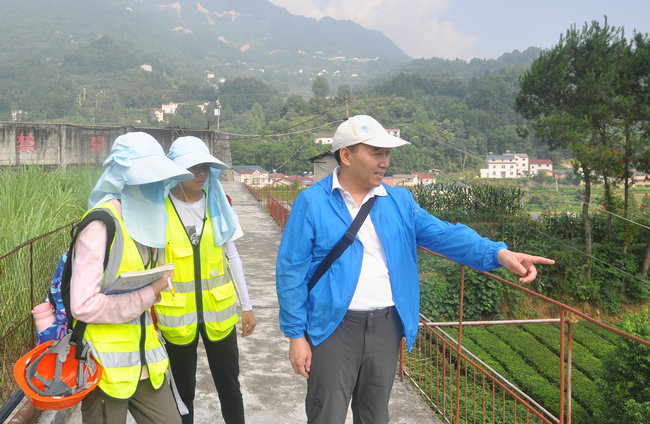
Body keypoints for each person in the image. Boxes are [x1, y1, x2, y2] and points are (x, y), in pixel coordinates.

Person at [275, 115, 555, 424]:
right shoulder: (312, 202)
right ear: (346, 155)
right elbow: (291, 271)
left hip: (385, 326)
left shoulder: (399, 201)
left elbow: (445, 235)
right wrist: (295, 335)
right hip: (331, 327)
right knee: (326, 414)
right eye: (376, 153)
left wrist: (499, 254)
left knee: (374, 416)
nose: (385, 162)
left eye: (387, 154)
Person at [70, 132, 194, 423]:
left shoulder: (147, 219)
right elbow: (83, 306)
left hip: (147, 363)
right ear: (123, 179)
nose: (155, 186)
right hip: (104, 368)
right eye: (147, 178)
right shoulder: (101, 225)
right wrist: (148, 293)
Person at [155, 136, 256, 424]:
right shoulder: (160, 210)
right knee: (182, 392)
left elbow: (232, 256)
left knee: (230, 387)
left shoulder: (218, 206)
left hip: (219, 313)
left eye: (205, 167)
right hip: (176, 316)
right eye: (192, 168)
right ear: (176, 170)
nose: (200, 173)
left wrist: (247, 307)